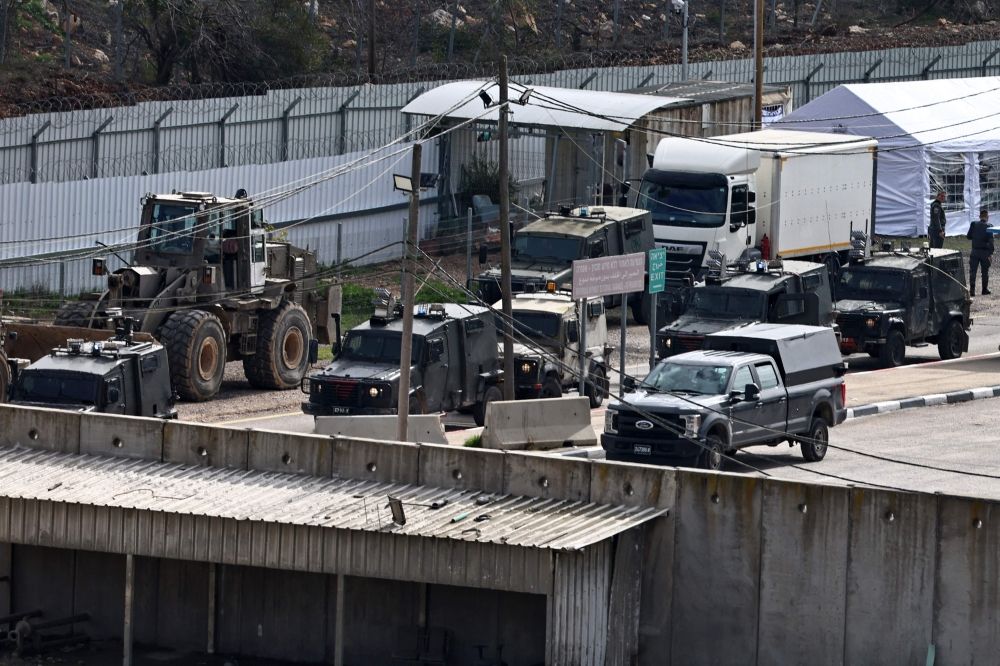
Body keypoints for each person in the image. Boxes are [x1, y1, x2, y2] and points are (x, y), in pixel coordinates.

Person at [966, 208, 994, 296]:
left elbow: (968, 236)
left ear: (980, 216)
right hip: (985, 252)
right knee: (985, 272)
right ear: (987, 217)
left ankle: (972, 290)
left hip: (974, 250)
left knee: (973, 271)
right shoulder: (989, 226)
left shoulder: (973, 224)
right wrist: (990, 253)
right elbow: (991, 242)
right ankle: (984, 289)